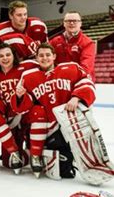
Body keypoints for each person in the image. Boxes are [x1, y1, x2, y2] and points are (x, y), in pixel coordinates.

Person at [10, 43, 95, 177]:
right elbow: (23, 108)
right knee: (61, 167)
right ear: (36, 58)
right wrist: (20, 96)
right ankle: (34, 154)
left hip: (68, 122)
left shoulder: (71, 68)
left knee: (66, 168)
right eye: (41, 56)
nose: (45, 58)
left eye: (48, 55)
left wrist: (76, 97)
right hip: (47, 127)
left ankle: (86, 159)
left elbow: (87, 81)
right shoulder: (28, 76)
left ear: (54, 56)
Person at [0, 43, 38, 174]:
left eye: (8, 55)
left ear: (14, 56)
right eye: (1, 56)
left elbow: (42, 62)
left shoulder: (24, 68)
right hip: (4, 115)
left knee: (9, 163)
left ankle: (35, 154)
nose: (5, 58)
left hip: (22, 115)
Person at [49, 11, 96, 80]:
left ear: (80, 23)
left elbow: (86, 68)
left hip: (81, 81)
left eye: (75, 21)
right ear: (64, 23)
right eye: (68, 21)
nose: (71, 23)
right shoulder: (54, 41)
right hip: (61, 81)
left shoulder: (88, 43)